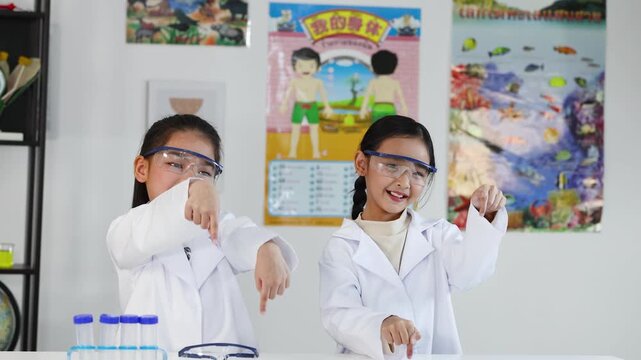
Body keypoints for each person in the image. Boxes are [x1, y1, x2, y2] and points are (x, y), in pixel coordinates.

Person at [319, 115, 507, 360]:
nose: (404, 182)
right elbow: (339, 315)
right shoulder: (342, 247)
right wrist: (382, 323)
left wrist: (486, 216)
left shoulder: (436, 235)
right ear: (361, 163)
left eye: (418, 173)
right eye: (392, 166)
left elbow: (470, 274)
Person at [107, 114, 298, 351]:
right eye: (175, 164)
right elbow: (154, 225)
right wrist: (196, 185)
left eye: (205, 172)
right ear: (141, 168)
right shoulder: (126, 230)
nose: (189, 176)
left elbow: (241, 234)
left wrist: (266, 247)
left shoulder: (218, 228)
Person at [279, 47, 333, 159]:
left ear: (317, 67)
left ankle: (316, 152)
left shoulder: (317, 82)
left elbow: (323, 94)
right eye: (300, 65)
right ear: (294, 67)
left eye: (311, 65)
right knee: (295, 129)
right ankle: (293, 151)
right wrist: (284, 104)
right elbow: (288, 93)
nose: (306, 69)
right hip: (299, 105)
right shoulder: (295, 81)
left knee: (314, 130)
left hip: (312, 106)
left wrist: (327, 107)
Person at [359, 50, 408, 123]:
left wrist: (363, 109)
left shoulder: (373, 82)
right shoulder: (394, 82)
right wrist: (404, 109)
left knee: (377, 130)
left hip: (377, 108)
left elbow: (367, 96)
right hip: (390, 108)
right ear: (393, 66)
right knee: (389, 131)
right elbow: (401, 97)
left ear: (375, 66)